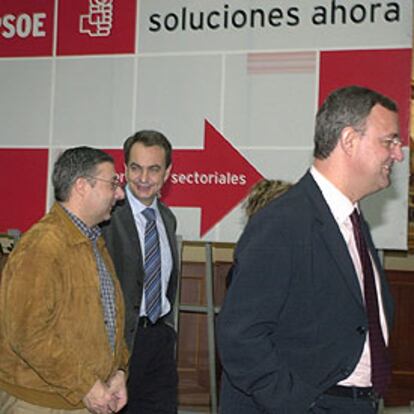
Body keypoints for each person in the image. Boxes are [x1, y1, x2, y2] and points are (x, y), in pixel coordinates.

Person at [217, 85, 404, 413]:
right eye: (389, 141)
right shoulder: (283, 221)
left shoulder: (353, 221)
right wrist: (298, 404)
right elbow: (240, 337)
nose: (398, 154)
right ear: (349, 140)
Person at [0, 147, 129, 414]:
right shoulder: (42, 245)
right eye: (113, 183)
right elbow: (27, 334)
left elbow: (109, 321)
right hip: (39, 403)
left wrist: (118, 371)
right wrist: (87, 386)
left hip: (81, 397)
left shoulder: (93, 242)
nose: (120, 194)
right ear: (82, 186)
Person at [102, 130, 179, 414]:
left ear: (168, 172)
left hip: (159, 343)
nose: (143, 178)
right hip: (118, 348)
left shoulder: (168, 219)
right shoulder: (108, 218)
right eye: (136, 168)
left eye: (153, 169)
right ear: (124, 169)